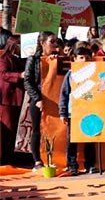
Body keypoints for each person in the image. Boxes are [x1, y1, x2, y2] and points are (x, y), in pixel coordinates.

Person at [23, 31, 60, 171]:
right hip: (39, 99)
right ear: (42, 43)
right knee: (37, 130)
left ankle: (55, 157)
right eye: (52, 41)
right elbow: (28, 81)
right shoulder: (33, 59)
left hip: (55, 99)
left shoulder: (57, 58)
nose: (55, 44)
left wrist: (55, 62)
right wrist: (37, 98)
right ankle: (37, 161)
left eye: (56, 41)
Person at [59, 46, 98, 175]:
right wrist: (63, 112)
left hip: (91, 111)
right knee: (72, 139)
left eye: (87, 58)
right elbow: (64, 94)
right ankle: (72, 165)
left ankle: (90, 164)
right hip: (74, 111)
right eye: (81, 58)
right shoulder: (70, 74)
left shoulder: (96, 73)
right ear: (74, 59)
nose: (84, 60)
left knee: (90, 139)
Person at [0, 30, 25, 166]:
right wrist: (20, 75)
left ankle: (14, 156)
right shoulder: (4, 59)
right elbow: (4, 74)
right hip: (7, 99)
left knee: (16, 129)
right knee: (8, 130)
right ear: (14, 46)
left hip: (18, 97)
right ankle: (5, 158)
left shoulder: (19, 59)